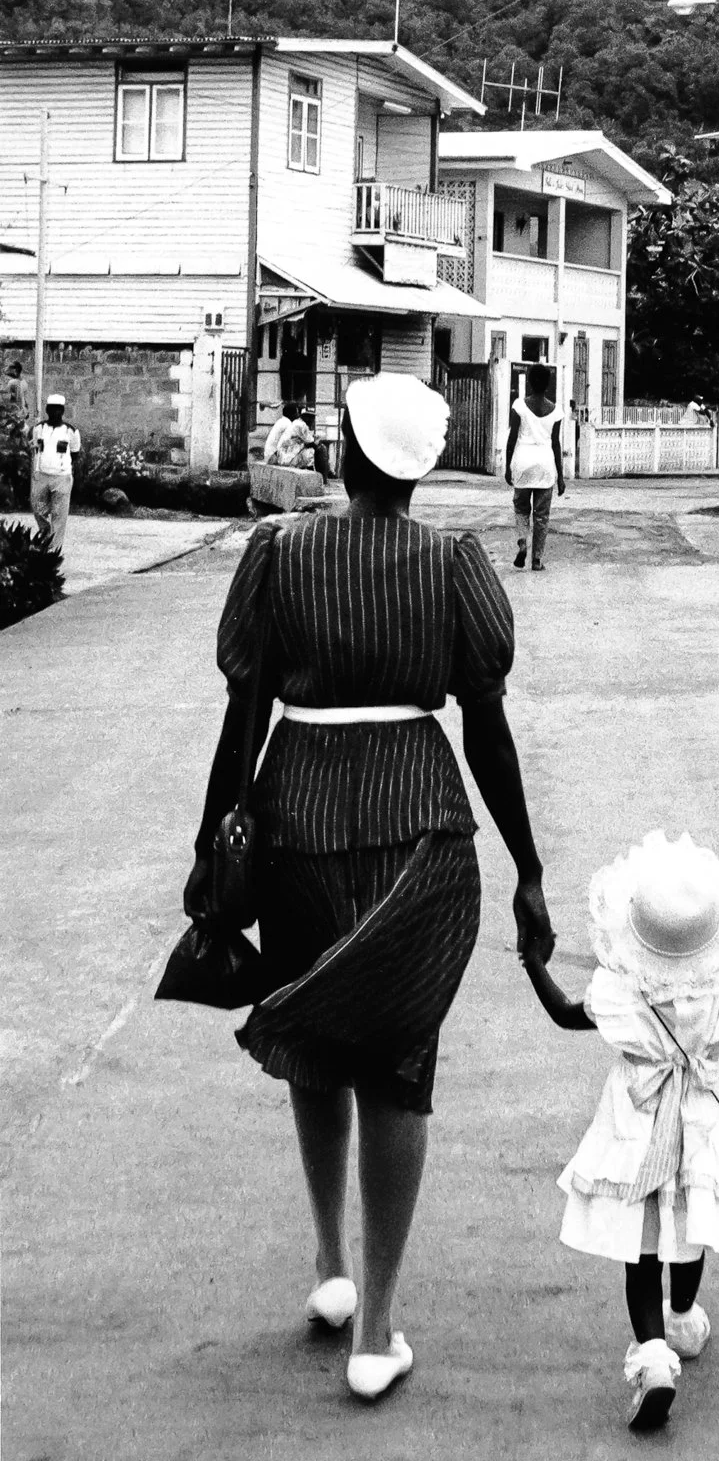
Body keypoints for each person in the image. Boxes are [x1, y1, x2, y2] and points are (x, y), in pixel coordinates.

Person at [187, 372, 555, 1403]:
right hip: (416, 823)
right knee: (397, 1060)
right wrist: (527, 866)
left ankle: (329, 1266)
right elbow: (486, 728)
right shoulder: (453, 565)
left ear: (345, 454)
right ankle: (376, 1328)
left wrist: (210, 841)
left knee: (313, 1032)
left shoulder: (280, 551)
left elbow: (243, 711)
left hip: (296, 813)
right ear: (421, 471)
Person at [523, 832, 719, 1431]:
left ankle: (654, 1357)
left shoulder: (620, 994)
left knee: (641, 1250)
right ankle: (682, 1314)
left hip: (634, 1132)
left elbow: (562, 1013)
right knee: (690, 1225)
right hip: (699, 1127)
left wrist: (535, 960)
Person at [505, 364, 564, 571]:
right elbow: (556, 444)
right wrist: (561, 477)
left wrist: (507, 467)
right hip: (545, 466)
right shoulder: (556, 411)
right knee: (542, 516)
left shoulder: (519, 406)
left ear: (529, 382)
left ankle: (523, 541)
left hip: (523, 463)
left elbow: (512, 438)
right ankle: (537, 560)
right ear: (547, 384)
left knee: (521, 508)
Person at [30, 395, 81, 553]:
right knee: (38, 509)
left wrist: (63, 467)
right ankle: (46, 535)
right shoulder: (38, 429)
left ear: (63, 411)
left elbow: (75, 453)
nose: (55, 412)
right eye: (52, 409)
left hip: (62, 478)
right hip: (41, 476)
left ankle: (54, 550)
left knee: (59, 515)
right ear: (47, 410)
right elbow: (35, 450)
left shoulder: (71, 431)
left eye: (58, 409)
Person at [264, 400, 330, 481]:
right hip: (285, 458)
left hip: (282, 456)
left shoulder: (296, 423)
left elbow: (307, 440)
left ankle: (320, 476)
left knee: (312, 450)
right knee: (320, 449)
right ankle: (321, 478)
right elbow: (312, 443)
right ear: (305, 417)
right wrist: (317, 440)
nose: (312, 420)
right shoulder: (300, 425)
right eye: (311, 417)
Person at [3, 359, 30, 435]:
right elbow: (25, 400)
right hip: (22, 411)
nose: (7, 369)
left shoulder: (13, 382)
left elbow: (5, 395)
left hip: (15, 412)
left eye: (9, 367)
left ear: (15, 370)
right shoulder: (24, 382)